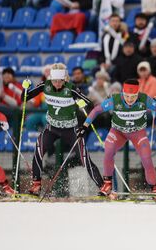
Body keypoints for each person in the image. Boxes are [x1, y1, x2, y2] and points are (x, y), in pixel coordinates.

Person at [20, 63, 104, 196]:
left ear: (65, 79)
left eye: (60, 81)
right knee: (38, 152)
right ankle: (36, 185)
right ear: (50, 79)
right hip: (52, 128)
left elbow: (90, 103)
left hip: (70, 129)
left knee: (84, 158)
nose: (57, 84)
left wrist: (81, 103)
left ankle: (103, 187)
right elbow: (24, 98)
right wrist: (25, 89)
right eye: (54, 81)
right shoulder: (45, 85)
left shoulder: (71, 88)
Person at [80, 78, 156, 202]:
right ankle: (107, 184)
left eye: (133, 96)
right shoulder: (115, 100)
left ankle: (155, 191)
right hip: (118, 132)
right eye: (127, 96)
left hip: (138, 133)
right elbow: (96, 110)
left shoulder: (144, 99)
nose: (130, 99)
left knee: (147, 159)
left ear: (137, 94)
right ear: (123, 93)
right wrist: (85, 126)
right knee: (108, 151)